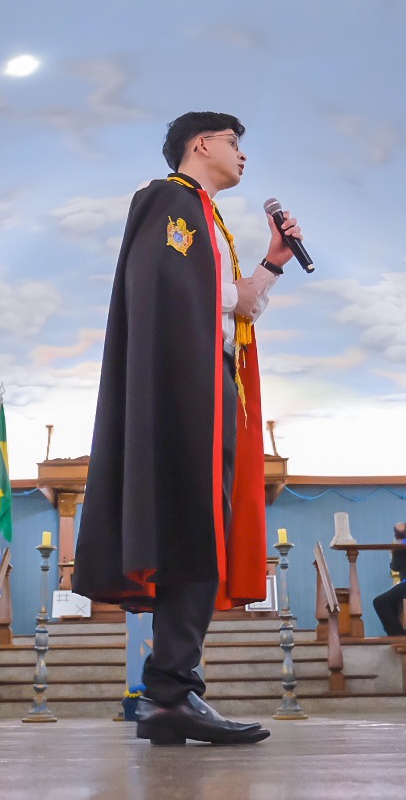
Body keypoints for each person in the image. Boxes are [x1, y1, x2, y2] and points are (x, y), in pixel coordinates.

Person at [74, 111, 301, 747]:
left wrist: (273, 262)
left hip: (208, 388)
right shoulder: (168, 199)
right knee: (195, 530)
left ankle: (171, 693)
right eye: (234, 143)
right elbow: (167, 285)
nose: (242, 155)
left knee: (200, 535)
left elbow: (234, 304)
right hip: (184, 391)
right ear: (201, 144)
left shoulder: (207, 217)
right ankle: (171, 691)